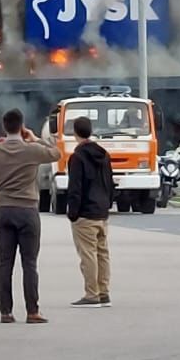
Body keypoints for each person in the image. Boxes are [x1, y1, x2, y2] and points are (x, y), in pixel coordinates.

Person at [0, 108, 58, 324]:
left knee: (5, 263)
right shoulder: (32, 149)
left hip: (4, 210)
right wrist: (35, 138)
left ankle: (5, 312)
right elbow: (56, 153)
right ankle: (32, 311)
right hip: (27, 211)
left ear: (4, 127)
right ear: (22, 126)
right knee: (30, 263)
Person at [65, 116, 114, 308]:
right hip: (102, 211)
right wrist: (108, 204)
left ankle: (91, 294)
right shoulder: (103, 154)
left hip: (85, 212)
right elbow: (109, 182)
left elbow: (75, 187)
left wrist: (72, 212)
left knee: (88, 255)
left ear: (75, 132)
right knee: (102, 253)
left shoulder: (77, 157)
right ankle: (104, 292)